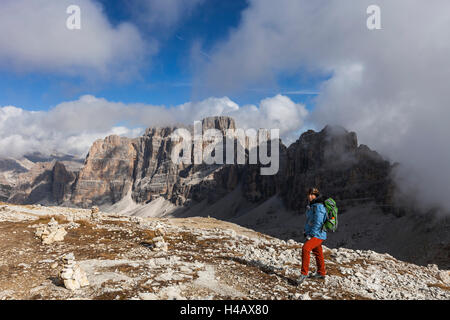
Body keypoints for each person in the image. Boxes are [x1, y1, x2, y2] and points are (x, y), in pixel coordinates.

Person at [297, 187, 327, 285]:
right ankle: (321, 273)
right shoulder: (312, 205)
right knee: (318, 252)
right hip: (315, 233)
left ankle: (303, 274)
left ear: (316, 196)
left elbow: (318, 222)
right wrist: (306, 231)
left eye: (312, 195)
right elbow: (310, 221)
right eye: (309, 194)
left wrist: (311, 235)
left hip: (318, 234)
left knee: (306, 248)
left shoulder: (318, 206)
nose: (309, 196)